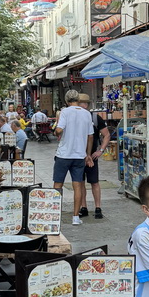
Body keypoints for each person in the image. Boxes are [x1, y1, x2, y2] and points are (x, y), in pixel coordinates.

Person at [53, 89, 94, 225]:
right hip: (79, 155)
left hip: (64, 154)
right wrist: (87, 154)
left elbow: (59, 130)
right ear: (79, 100)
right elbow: (90, 136)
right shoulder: (87, 114)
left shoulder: (65, 112)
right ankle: (76, 217)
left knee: (58, 184)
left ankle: (55, 214)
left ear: (66, 100)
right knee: (78, 185)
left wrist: (56, 131)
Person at [77, 93, 110, 219]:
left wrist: (101, 150)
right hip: (78, 155)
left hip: (92, 156)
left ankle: (97, 207)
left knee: (94, 182)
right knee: (80, 182)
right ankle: (83, 207)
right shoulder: (75, 118)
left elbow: (106, 135)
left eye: (84, 103)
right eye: (80, 103)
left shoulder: (95, 118)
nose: (83, 106)